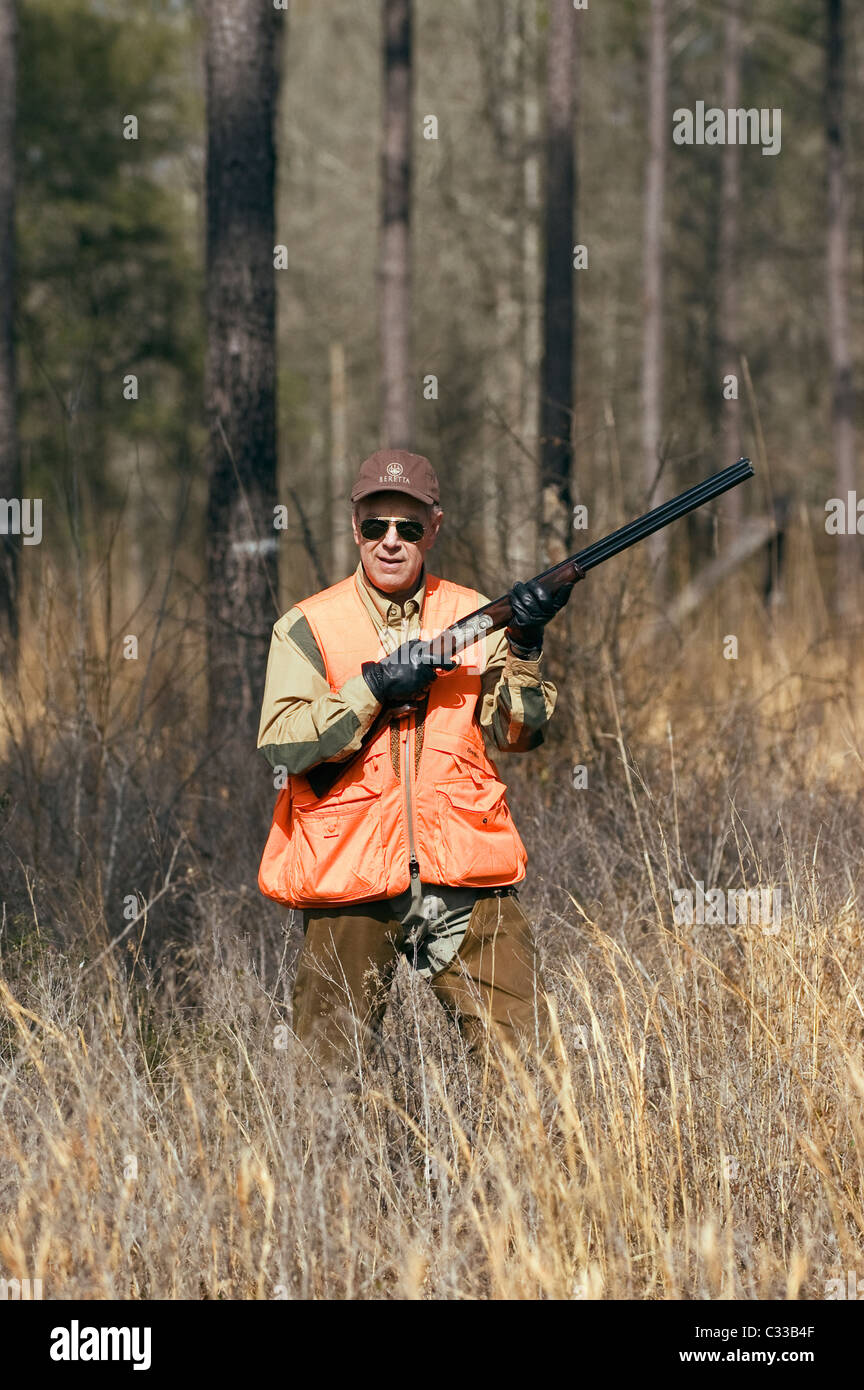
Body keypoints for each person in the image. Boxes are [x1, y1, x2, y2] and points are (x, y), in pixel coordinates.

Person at [257, 449, 573, 1074]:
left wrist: (528, 646)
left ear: (435, 527)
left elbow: (518, 733)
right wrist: (373, 688)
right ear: (356, 528)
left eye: (409, 526)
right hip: (349, 872)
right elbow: (283, 742)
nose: (391, 541)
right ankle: (318, 1179)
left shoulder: (472, 616)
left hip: (464, 867)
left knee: (529, 1070)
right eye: (376, 525)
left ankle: (525, 1177)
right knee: (324, 1083)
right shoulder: (309, 625)